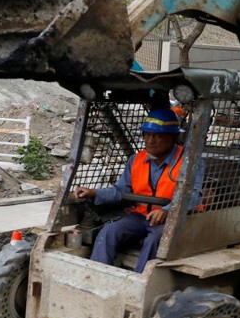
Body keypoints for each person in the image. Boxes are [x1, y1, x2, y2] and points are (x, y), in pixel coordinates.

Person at [71, 107, 203, 273]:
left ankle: (139, 282)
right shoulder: (136, 160)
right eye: (147, 135)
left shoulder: (189, 162)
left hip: (174, 221)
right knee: (109, 231)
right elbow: (120, 191)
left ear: (173, 137)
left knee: (155, 239)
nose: (150, 140)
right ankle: (96, 275)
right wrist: (94, 193)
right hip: (141, 216)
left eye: (157, 135)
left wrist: (167, 211)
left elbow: (194, 196)